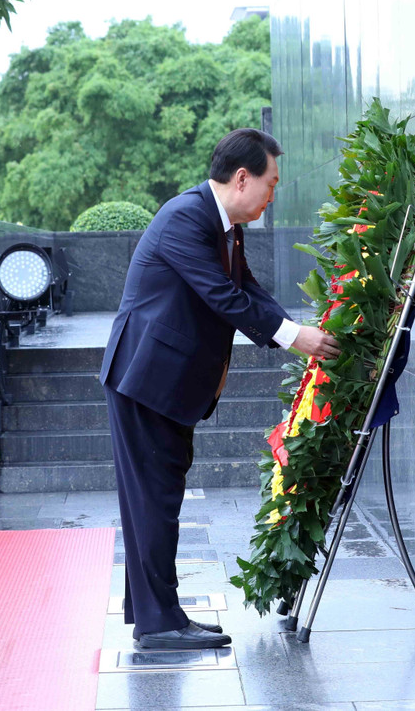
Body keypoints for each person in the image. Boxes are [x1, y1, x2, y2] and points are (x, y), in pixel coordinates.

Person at [100, 128, 340, 650]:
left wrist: (296, 327)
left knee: (158, 499)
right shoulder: (187, 217)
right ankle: (159, 623)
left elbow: (246, 287)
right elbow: (221, 299)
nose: (272, 196)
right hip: (145, 380)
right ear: (241, 178)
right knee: (153, 501)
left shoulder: (224, 223)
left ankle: (156, 614)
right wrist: (298, 338)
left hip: (165, 384)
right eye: (271, 184)